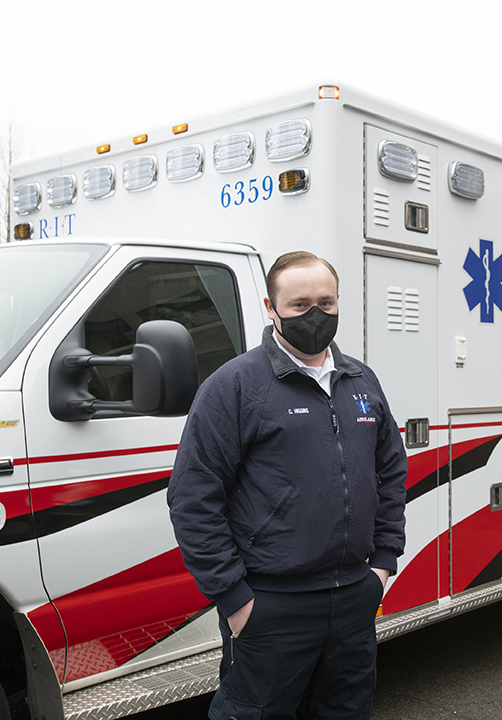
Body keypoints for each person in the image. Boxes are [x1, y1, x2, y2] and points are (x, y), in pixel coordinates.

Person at [167, 250, 407, 719]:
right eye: (300, 305)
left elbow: (391, 470)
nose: (315, 315)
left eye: (326, 302)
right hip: (271, 606)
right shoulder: (234, 386)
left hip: (354, 595)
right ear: (270, 307)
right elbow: (193, 497)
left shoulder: (361, 380)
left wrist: (381, 561)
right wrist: (235, 598)